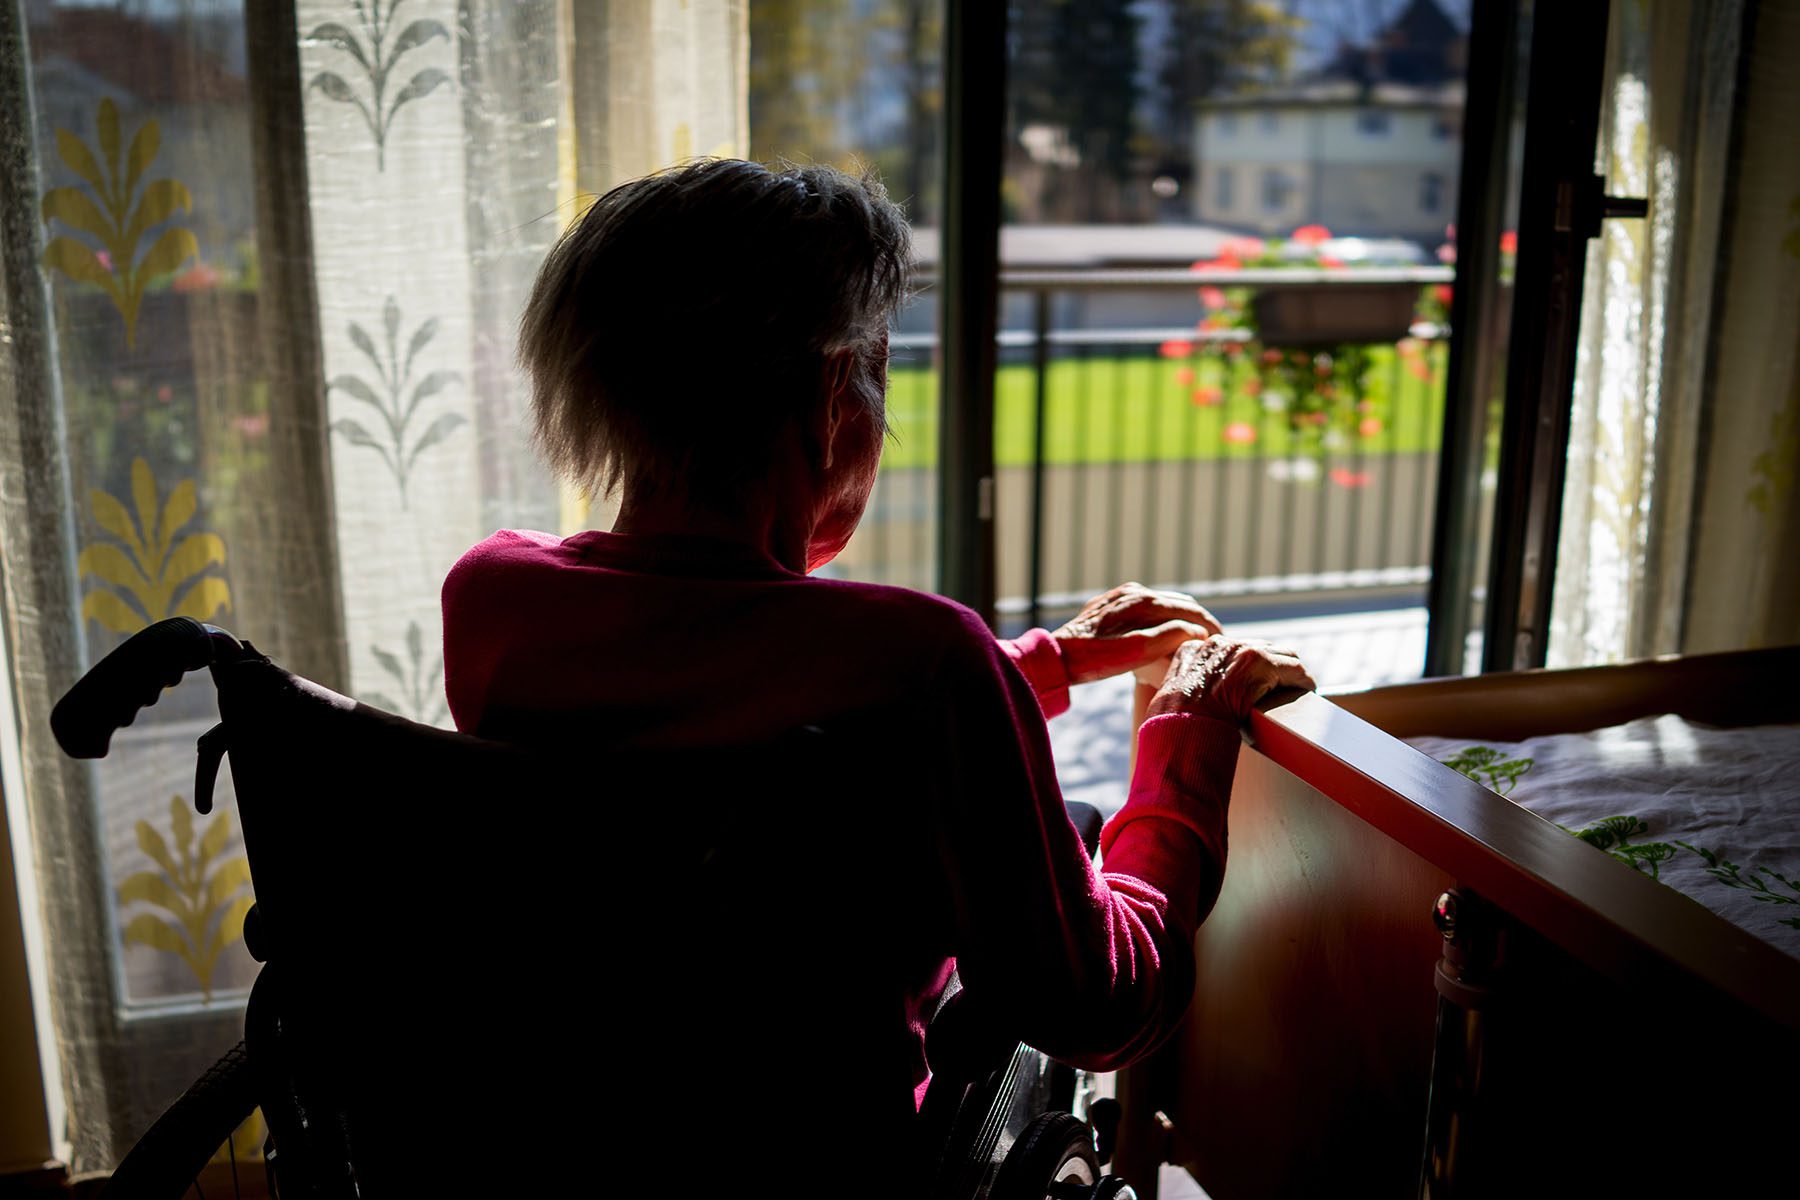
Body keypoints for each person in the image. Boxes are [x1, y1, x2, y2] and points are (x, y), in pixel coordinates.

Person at [440, 158, 1312, 1184]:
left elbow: (703, 678)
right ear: (827, 392)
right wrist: (1183, 739)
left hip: (562, 1133)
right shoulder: (925, 664)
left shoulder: (495, 599)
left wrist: (1041, 664)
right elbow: (1097, 1008)